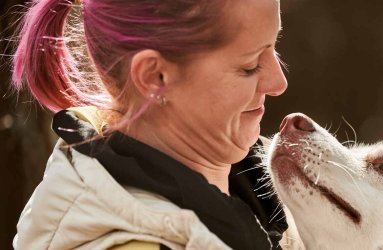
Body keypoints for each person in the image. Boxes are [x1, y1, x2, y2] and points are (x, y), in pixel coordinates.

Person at [11, 0, 289, 249]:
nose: (279, 83)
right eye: (250, 65)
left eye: (273, 46)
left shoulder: (259, 185)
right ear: (155, 77)